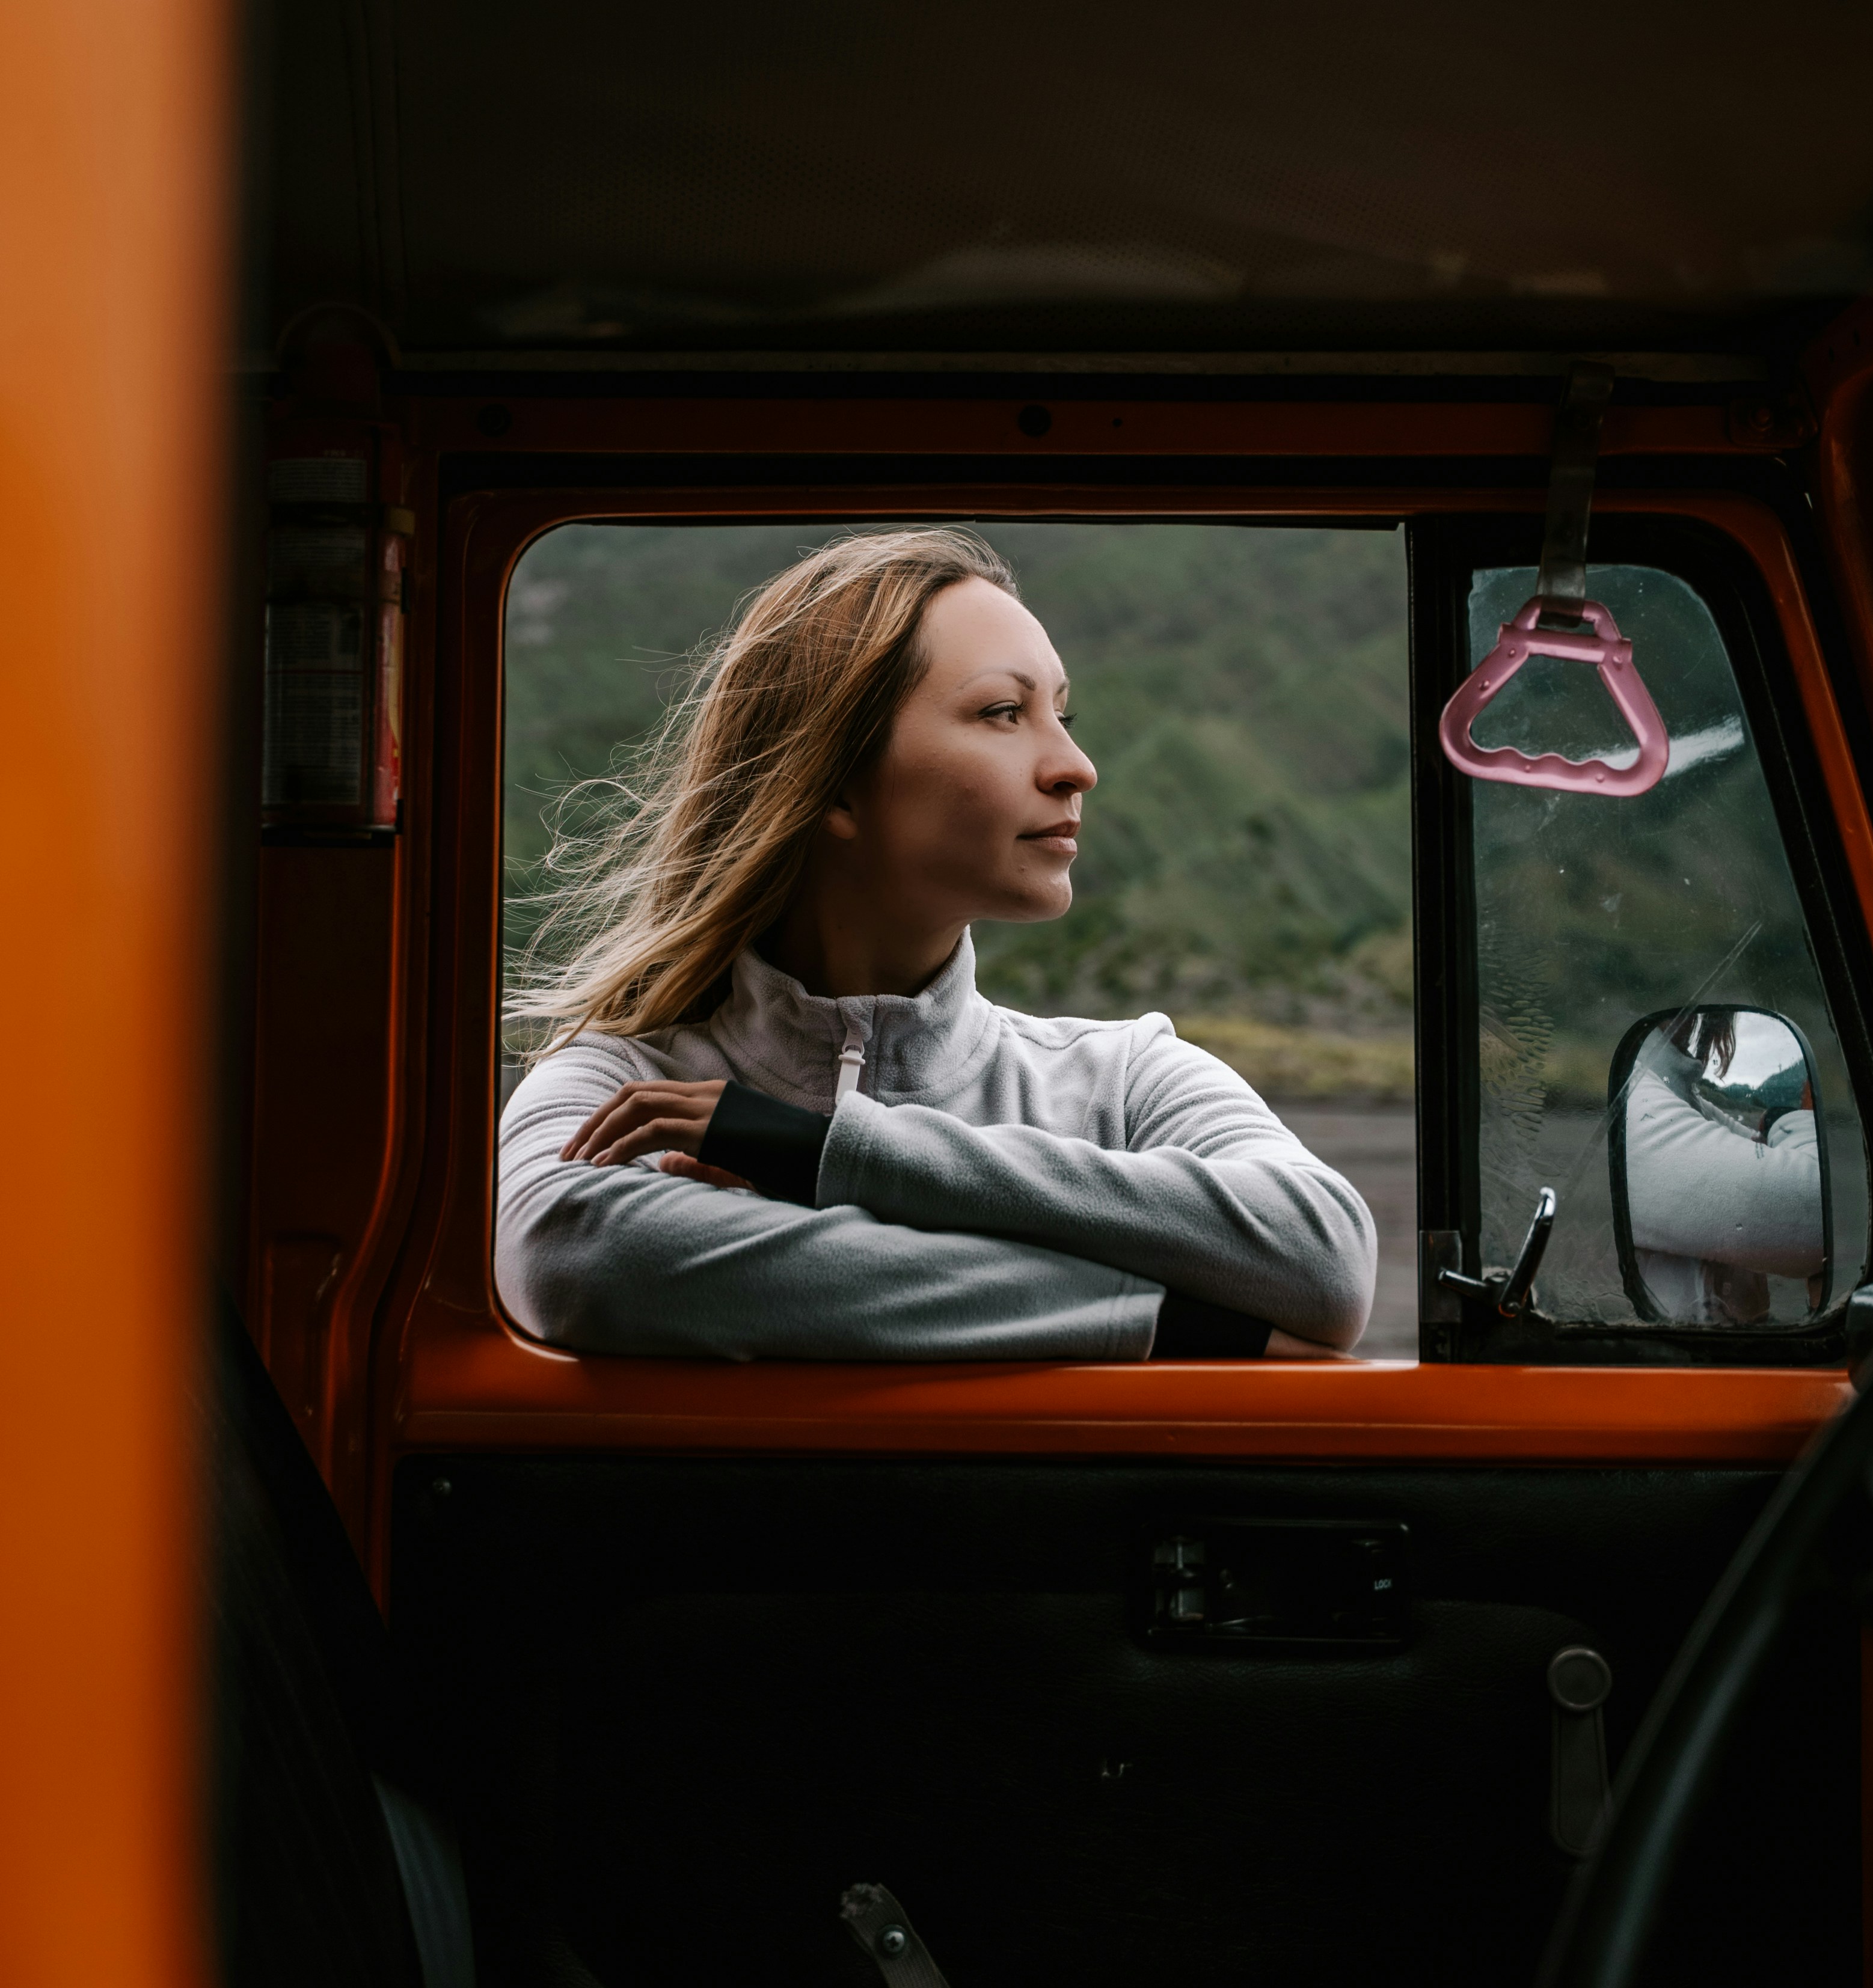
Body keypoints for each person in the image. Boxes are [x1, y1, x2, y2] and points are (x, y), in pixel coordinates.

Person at [495, 528, 1376, 1362]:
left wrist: (828, 1152)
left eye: (1062, 715)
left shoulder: (1128, 1079)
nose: (1075, 766)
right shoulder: (617, 1080)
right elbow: (577, 1258)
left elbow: (1322, 1258)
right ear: (835, 784)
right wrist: (1158, 1320)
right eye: (1003, 712)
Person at [1621, 1010, 1824, 1324]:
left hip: (1698, 1361)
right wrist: (1796, 1117)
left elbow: (1761, 1150)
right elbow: (1819, 1211)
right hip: (1673, 1364)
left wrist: (1775, 1125)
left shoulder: (1681, 1099)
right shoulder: (1635, 1104)